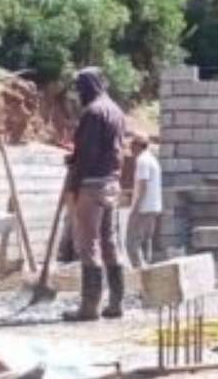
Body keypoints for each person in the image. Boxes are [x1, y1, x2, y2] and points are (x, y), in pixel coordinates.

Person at [62, 66, 129, 321]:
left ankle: (89, 307)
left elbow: (87, 153)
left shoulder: (93, 112)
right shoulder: (116, 111)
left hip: (91, 184)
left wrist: (73, 185)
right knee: (110, 241)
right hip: (112, 183)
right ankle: (116, 303)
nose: (79, 94)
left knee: (89, 243)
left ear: (88, 87)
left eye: (80, 88)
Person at [124, 132, 164, 267]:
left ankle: (140, 274)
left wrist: (135, 208)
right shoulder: (152, 159)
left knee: (131, 244)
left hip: (143, 208)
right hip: (153, 207)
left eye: (131, 145)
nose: (129, 148)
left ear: (137, 145)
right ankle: (149, 275)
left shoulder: (142, 161)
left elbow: (143, 185)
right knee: (146, 242)